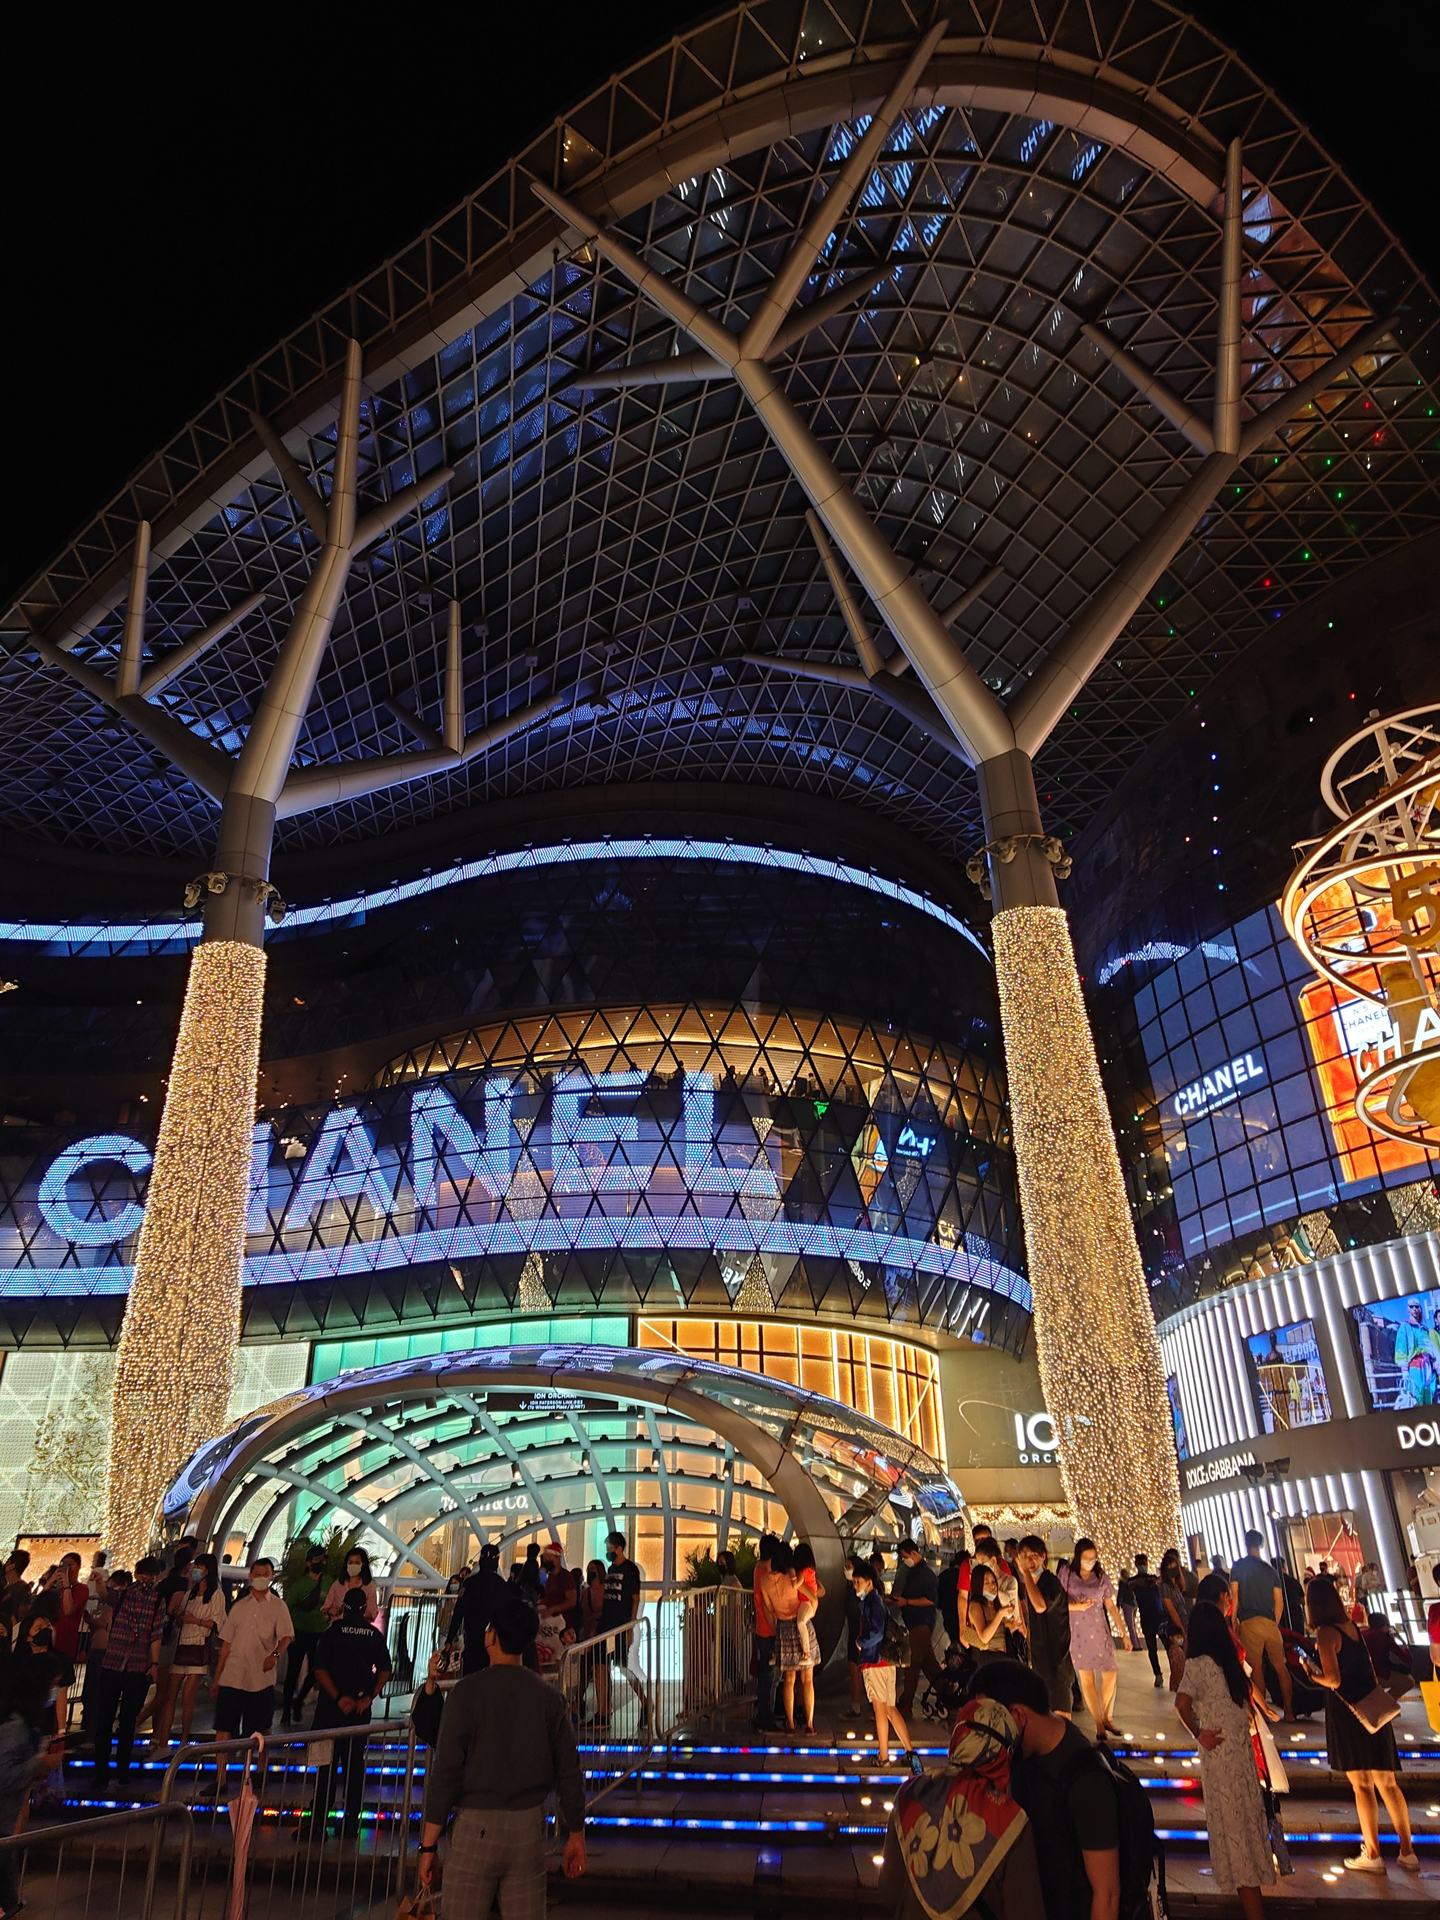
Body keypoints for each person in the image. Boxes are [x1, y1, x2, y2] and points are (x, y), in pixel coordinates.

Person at [418, 1592, 585, 1911]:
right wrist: (576, 1833)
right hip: (529, 1828)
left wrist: (428, 1846)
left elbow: (447, 1772)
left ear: (491, 1637)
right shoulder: (548, 1697)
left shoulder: (467, 1692)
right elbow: (569, 1769)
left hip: (475, 1827)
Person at [965, 1658, 1121, 1920]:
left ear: (1017, 1716)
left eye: (989, 1720)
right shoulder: (1018, 1758)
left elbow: (1107, 1895)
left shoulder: (1086, 1778)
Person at [881, 1695, 1044, 1919]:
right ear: (1004, 1754)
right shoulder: (1011, 1820)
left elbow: (889, 1890)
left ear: (958, 1737)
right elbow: (1025, 1911)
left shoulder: (911, 1793)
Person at [1301, 1576, 1417, 1875]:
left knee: (1362, 1785)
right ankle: (1407, 1851)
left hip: (1349, 1713)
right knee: (1388, 1783)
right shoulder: (1351, 1627)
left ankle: (1373, 1853)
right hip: (1372, 1707)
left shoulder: (1326, 1633)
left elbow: (1333, 1679)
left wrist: (1311, 1674)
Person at [1175, 1600, 1278, 1918]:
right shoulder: (1229, 1662)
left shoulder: (1198, 1665)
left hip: (1220, 1758)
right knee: (1246, 1828)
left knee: (1235, 1837)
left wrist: (1197, 1732)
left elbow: (1181, 1704)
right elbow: (1248, 1693)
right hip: (1242, 1757)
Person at [310, 1587, 392, 1828]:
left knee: (326, 1765)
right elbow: (385, 1669)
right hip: (359, 1711)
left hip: (330, 1711)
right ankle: (351, 1820)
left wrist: (338, 1698)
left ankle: (319, 1821)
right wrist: (369, 1697)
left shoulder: (332, 1633)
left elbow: (320, 1670)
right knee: (354, 1765)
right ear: (365, 1608)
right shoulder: (373, 1635)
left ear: (343, 1608)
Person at [0, 1662, 67, 1917]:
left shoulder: (25, 1728)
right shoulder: (16, 1729)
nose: (54, 1692)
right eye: (52, 1686)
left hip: (5, 1825)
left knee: (9, 1898)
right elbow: (3, 1775)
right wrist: (39, 1764)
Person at [91, 1556, 166, 1777]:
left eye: (151, 1576)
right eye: (144, 1575)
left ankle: (122, 1769)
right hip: (114, 1661)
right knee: (105, 1717)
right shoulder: (123, 1594)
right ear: (136, 1574)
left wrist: (154, 1664)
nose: (147, 1580)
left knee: (128, 1719)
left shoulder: (157, 1600)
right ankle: (101, 1771)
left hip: (137, 1665)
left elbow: (156, 1634)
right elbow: (105, 1594)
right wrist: (98, 1580)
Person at [212, 1556, 293, 1738]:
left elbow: (286, 1636)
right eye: (257, 1574)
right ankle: (222, 1758)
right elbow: (227, 1644)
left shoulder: (278, 1607)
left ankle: (258, 1758)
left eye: (265, 1574)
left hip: (260, 1679)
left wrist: (274, 1655)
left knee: (261, 1730)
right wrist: (217, 1678)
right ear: (250, 1575)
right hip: (232, 1676)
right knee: (223, 1727)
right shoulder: (239, 1607)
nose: (261, 1578)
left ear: (272, 1576)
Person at [1059, 1539, 1122, 1738]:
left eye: (1093, 1558)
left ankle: (1106, 1715)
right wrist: (1076, 1607)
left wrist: (1124, 1631)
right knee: (1087, 1678)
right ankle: (1099, 1723)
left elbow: (1110, 1605)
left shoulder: (1101, 1576)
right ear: (1078, 1557)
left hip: (1099, 1629)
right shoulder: (1067, 1574)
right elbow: (1058, 1601)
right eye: (1086, 1558)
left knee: (1110, 1673)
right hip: (1077, 1631)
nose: (1090, 1561)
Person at [1229, 1530, 1293, 1720]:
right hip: (1270, 1623)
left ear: (1245, 1544)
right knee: (1281, 1667)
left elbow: (1235, 1596)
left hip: (1249, 1622)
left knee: (1256, 1668)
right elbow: (1279, 1602)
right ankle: (1289, 1711)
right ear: (1262, 1544)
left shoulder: (1238, 1567)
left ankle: (1263, 1713)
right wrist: (1274, 1622)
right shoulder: (1271, 1570)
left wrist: (1234, 1620)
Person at [851, 1560, 909, 1766]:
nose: (855, 1586)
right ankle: (910, 1752)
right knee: (890, 1709)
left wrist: (861, 1643)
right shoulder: (879, 1601)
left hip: (874, 1661)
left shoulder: (871, 1602)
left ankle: (883, 1756)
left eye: (857, 1582)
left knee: (880, 1709)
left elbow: (875, 1632)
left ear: (869, 1583)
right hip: (886, 1661)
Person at [1015, 1536, 1074, 1719]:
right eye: (1025, 1557)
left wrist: (1025, 1574)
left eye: (1033, 1556)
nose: (1029, 1561)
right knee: (1045, 1716)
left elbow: (1041, 1606)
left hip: (1056, 1662)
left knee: (1061, 1717)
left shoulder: (1050, 1582)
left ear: (1043, 1557)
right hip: (1041, 1662)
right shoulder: (1034, 1584)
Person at [169, 1553, 225, 1747]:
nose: (195, 1571)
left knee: (187, 1696)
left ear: (207, 1570)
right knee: (170, 1695)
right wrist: (181, 1617)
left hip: (199, 1647)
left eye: (198, 1567)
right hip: (183, 1645)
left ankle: (184, 1739)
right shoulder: (189, 1594)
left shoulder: (216, 1595)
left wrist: (194, 1620)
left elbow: (217, 1623)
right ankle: (163, 1740)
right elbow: (180, 1620)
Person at [766, 1545, 819, 1736]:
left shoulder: (765, 1581)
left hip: (783, 1628)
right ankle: (809, 1723)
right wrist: (813, 1607)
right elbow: (814, 1597)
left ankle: (789, 1723)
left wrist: (776, 1632)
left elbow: (768, 1608)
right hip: (801, 1625)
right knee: (807, 1680)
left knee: (789, 1680)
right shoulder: (794, 1578)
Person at [597, 1531, 646, 1727]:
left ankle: (645, 1701)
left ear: (618, 1548)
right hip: (606, 1623)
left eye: (610, 1547)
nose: (608, 1551)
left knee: (622, 1666)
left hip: (620, 1623)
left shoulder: (630, 1569)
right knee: (601, 1665)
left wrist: (630, 1626)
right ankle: (603, 1710)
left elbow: (635, 1597)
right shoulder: (611, 1569)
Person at [281, 1543, 330, 1725]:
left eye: (323, 1559)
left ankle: (298, 1700)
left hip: (319, 1632)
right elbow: (288, 1607)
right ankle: (286, 1710)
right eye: (317, 1559)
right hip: (299, 1632)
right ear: (309, 1563)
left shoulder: (328, 1581)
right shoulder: (300, 1585)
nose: (321, 1563)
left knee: (316, 1670)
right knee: (292, 1672)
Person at [894, 1541, 943, 1714]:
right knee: (928, 1663)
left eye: (905, 1556)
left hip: (921, 1623)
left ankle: (905, 1702)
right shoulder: (913, 1572)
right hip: (914, 1623)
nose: (904, 1560)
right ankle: (948, 1692)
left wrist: (907, 1602)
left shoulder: (926, 1574)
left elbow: (929, 1600)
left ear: (914, 1553)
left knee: (913, 1662)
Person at [446, 1544, 509, 1676]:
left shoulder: (470, 1583)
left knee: (471, 1678)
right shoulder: (502, 1586)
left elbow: (459, 1612)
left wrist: (449, 1639)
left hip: (473, 1639)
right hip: (495, 1642)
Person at [752, 1533, 778, 1732]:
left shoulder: (757, 1569)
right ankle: (766, 1718)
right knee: (770, 1677)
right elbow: (768, 1606)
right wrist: (777, 1630)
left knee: (765, 1676)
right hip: (768, 1630)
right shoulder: (767, 1572)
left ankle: (764, 1715)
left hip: (761, 1628)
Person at [963, 1563, 1011, 1668]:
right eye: (986, 1583)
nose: (992, 1586)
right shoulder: (976, 1606)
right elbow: (984, 1637)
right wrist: (1000, 1615)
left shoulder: (994, 1603)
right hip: (990, 1659)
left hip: (1005, 1655)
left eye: (993, 1582)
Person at [1130, 1553, 1165, 1687]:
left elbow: (1161, 1582)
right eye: (1139, 1564)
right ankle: (1158, 1674)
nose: (1142, 1566)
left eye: (1143, 1563)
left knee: (1168, 1645)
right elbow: (1130, 1584)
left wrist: (1155, 1581)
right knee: (1152, 1648)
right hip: (1147, 1618)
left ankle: (1175, 1672)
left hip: (1159, 1617)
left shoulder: (1153, 1579)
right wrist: (1140, 1582)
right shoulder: (1134, 1581)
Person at [324, 1546, 378, 1623]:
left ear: (363, 1565)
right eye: (350, 1563)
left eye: (357, 1563)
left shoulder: (369, 1588)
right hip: (338, 1627)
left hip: (360, 1628)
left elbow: (372, 1614)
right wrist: (331, 1611)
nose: (353, 1565)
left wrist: (357, 1614)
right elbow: (325, 1608)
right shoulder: (337, 1585)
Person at [1160, 1560, 1191, 1693]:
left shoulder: (1176, 1586)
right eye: (1170, 1567)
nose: (1173, 1570)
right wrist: (1182, 1630)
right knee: (1178, 1658)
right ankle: (1180, 1688)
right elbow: (1171, 1610)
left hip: (1183, 1622)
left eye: (1175, 1566)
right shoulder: (1165, 1587)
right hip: (1175, 1627)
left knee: (1184, 1657)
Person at [1116, 1566, 1142, 1653]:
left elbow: (1121, 1594)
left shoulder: (1122, 1582)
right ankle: (1138, 1644)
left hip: (1127, 1604)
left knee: (1130, 1625)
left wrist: (1118, 1604)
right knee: (1133, 1625)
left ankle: (1135, 1645)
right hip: (1134, 1604)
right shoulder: (1131, 1582)